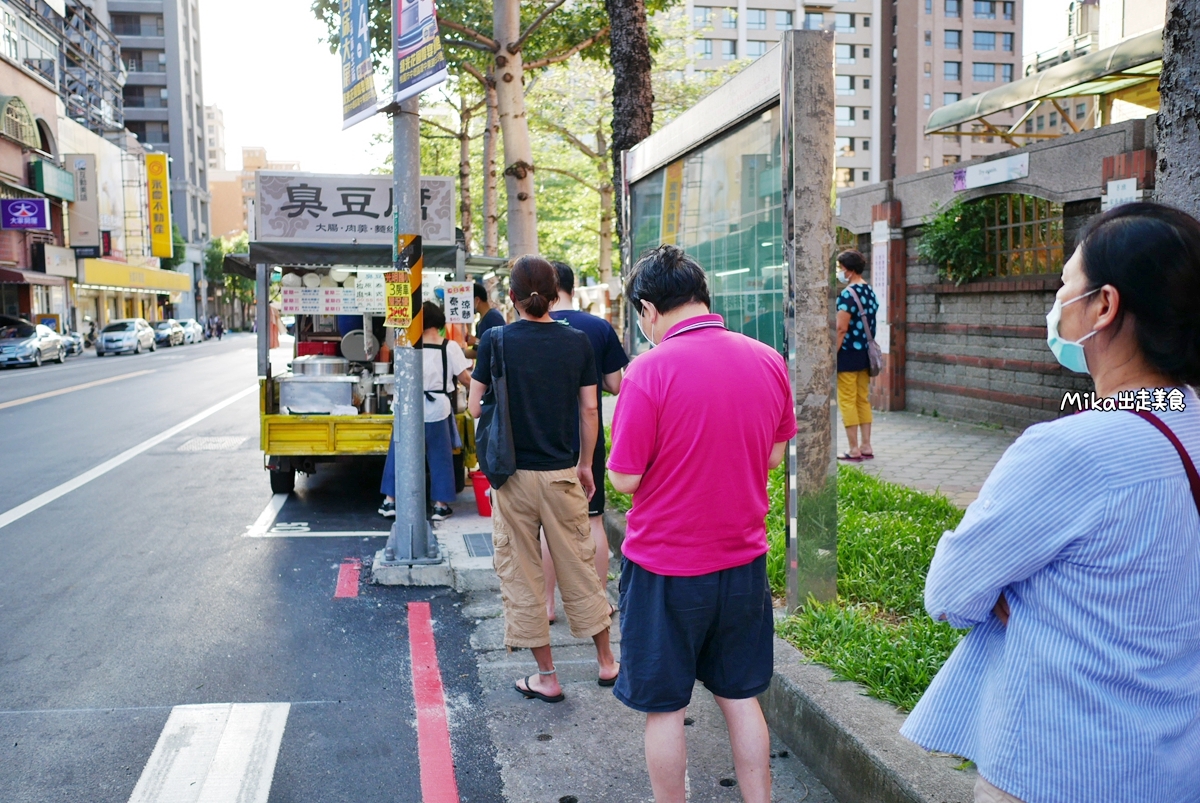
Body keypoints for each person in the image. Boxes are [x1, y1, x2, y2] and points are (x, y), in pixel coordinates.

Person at [901, 202, 1200, 803]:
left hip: (1060, 763)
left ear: (1104, 306)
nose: (1056, 304)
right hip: (1176, 763)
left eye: (1066, 285)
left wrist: (1018, 591)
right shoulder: (1186, 418)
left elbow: (952, 593)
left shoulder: (1070, 449)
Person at [608, 245, 796, 803]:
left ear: (648, 310)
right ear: (702, 297)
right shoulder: (767, 359)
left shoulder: (648, 369)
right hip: (742, 563)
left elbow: (623, 479)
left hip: (664, 568)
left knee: (665, 709)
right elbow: (773, 458)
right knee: (740, 697)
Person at [467, 255, 619, 702]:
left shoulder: (495, 340)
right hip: (562, 474)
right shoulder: (577, 343)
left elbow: (476, 408)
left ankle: (547, 677)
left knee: (523, 576)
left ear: (510, 297)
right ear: (555, 294)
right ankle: (608, 663)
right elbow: (591, 409)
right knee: (580, 569)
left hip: (511, 478)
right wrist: (587, 463)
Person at [542, 260, 629, 623]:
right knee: (594, 521)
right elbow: (615, 385)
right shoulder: (597, 327)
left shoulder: (526, 328)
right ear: (572, 289)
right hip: (586, 439)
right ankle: (598, 602)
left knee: (548, 525)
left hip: (542, 439)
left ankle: (546, 605)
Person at [379, 301, 472, 520]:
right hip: (436, 407)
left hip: (408, 406)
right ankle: (440, 505)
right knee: (440, 455)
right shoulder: (449, 347)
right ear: (439, 323)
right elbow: (465, 378)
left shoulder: (408, 345)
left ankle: (390, 502)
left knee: (398, 454)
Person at [834, 249, 877, 461]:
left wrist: (833, 354)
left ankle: (853, 449)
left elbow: (841, 328)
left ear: (849, 270)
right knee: (862, 399)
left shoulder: (847, 294)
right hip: (866, 355)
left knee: (847, 400)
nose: (840, 272)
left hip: (848, 354)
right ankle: (866, 445)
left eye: (841, 268)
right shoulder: (869, 291)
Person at [464, 282, 505, 358]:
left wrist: (476, 342)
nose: (466, 307)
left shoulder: (494, 317)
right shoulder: (479, 323)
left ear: (476, 300)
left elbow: (501, 346)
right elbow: (476, 353)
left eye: (467, 303)